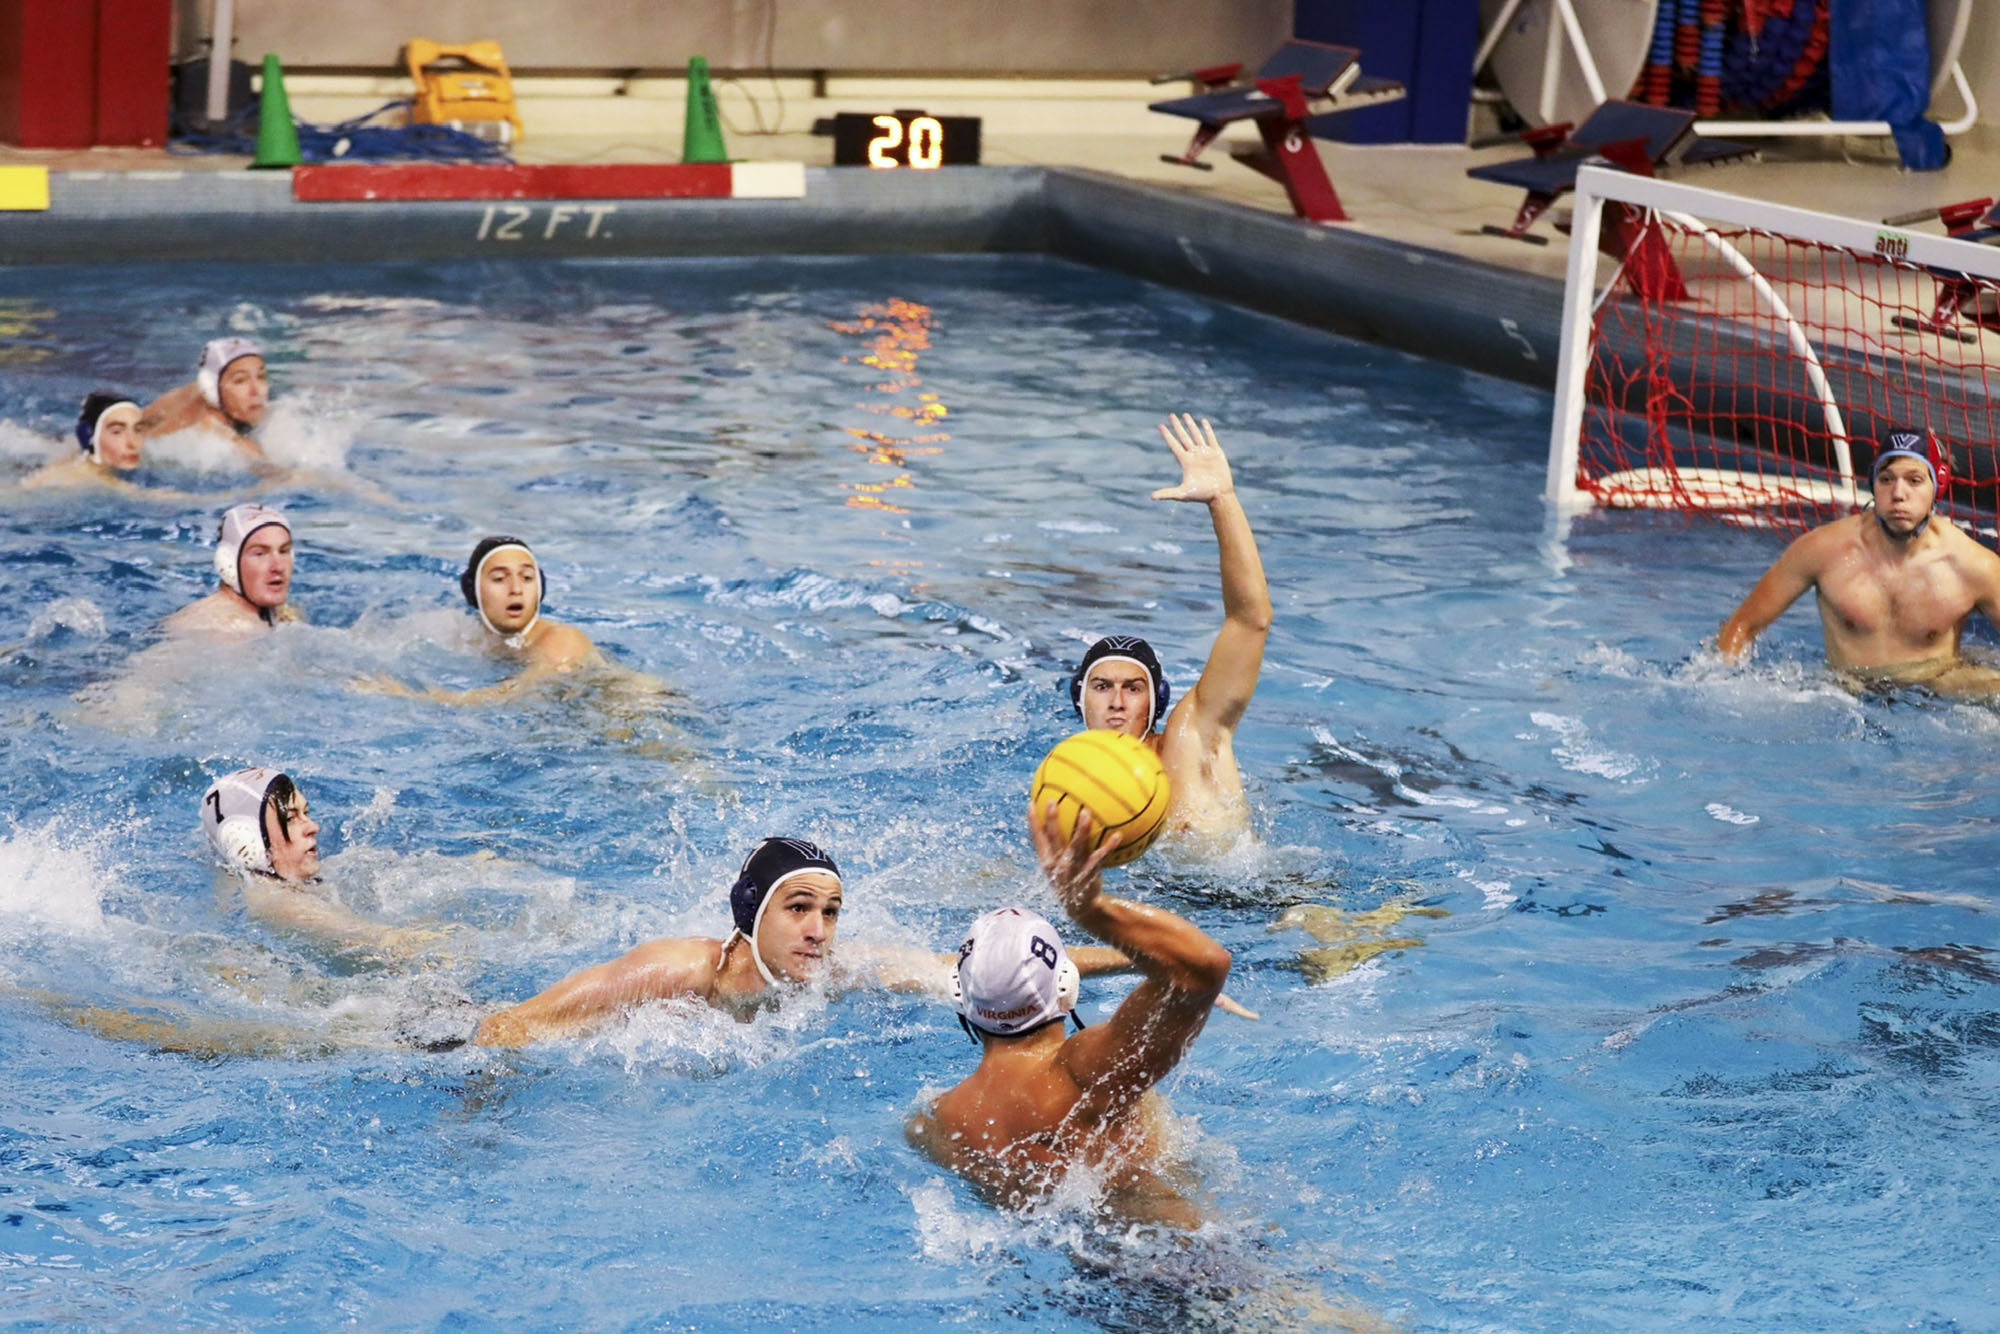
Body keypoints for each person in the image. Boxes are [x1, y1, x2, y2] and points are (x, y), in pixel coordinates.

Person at [472, 835, 1141, 1048]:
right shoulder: (676, 970)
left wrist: (1145, 960)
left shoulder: (835, 970)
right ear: (749, 910)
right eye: (798, 908)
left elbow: (987, 966)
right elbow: (507, 1028)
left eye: (831, 911)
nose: (818, 930)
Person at [906, 802, 1232, 1228]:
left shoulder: (933, 1123)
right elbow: (1204, 966)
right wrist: (1094, 911)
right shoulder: (1083, 1076)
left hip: (1060, 1286)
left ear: (960, 998)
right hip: (1183, 1262)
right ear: (1066, 988)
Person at [1070, 414, 1271, 839]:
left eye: (1134, 687)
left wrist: (1223, 500)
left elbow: (1250, 621)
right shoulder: (1069, 781)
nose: (1118, 702)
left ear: (1157, 700)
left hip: (1256, 903)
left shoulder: (1189, 737)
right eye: (1103, 686)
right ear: (1080, 698)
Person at [1718, 427, 2000, 694]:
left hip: (1935, 692)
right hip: (1844, 692)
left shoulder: (1974, 566)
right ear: (1873, 485)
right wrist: (1722, 687)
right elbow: (1742, 626)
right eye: (1887, 479)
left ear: (1937, 487)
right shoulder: (1823, 549)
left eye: (1914, 480)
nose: (1899, 494)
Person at [200, 767, 446, 963]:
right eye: (291, 818)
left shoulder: (270, 886)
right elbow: (378, 940)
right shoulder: (279, 903)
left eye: (306, 813)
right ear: (247, 840)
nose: (312, 827)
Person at [359, 536, 600, 705]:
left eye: (527, 577)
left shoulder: (561, 638)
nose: (516, 589)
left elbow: (516, 695)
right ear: (472, 590)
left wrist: (412, 696)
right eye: (499, 579)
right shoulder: (481, 641)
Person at [162, 502, 300, 635]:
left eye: (283, 551)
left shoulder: (282, 614)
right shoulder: (216, 628)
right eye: (259, 554)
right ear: (228, 562)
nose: (278, 566)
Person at [141, 337, 270, 452]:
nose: (256, 391)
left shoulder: (188, 393)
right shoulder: (222, 438)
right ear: (212, 388)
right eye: (240, 380)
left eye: (261, 376)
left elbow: (137, 421)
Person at [20, 392, 153, 491]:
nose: (132, 443)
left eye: (138, 430)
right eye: (117, 432)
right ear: (89, 437)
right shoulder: (81, 479)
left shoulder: (80, 461)